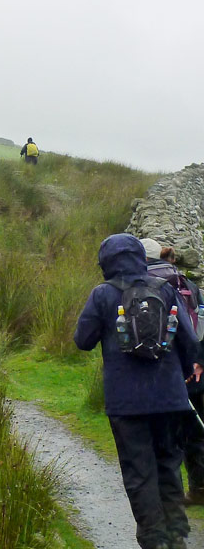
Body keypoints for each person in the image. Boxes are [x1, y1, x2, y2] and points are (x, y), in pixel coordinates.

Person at [74, 233, 202, 549]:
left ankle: (154, 538)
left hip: (126, 403)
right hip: (169, 399)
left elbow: (83, 340)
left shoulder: (102, 294)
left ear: (106, 261)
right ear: (139, 258)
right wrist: (183, 378)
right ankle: (176, 536)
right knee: (168, 465)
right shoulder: (166, 290)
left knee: (138, 472)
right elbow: (190, 343)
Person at [141, 238, 204, 507]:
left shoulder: (144, 282)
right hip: (196, 367)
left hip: (163, 367)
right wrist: (198, 360)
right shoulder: (188, 284)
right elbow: (199, 324)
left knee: (166, 432)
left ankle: (168, 492)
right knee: (195, 429)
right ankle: (199, 487)